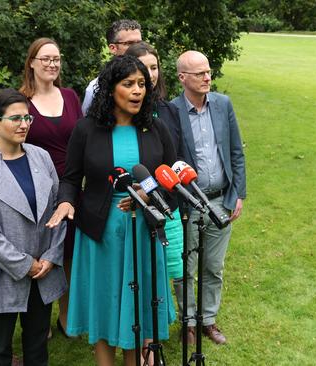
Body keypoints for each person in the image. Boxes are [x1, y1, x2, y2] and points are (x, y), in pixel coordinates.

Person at [47, 55, 176, 366]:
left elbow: (170, 182)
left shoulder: (156, 128)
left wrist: (148, 199)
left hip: (143, 232)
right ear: (110, 89)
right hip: (100, 233)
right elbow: (71, 178)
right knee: (105, 306)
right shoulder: (87, 129)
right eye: (128, 84)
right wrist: (66, 201)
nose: (137, 91)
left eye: (142, 84)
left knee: (138, 309)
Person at [0, 88, 67, 366]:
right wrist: (25, 264)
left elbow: (58, 208)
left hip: (42, 269)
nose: (24, 124)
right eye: (16, 118)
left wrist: (50, 257)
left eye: (28, 118)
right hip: (1, 270)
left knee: (37, 343)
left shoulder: (41, 157)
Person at [171, 50, 247, 346]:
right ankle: (188, 322)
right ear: (182, 78)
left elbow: (236, 152)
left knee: (213, 266)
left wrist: (237, 193)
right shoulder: (171, 111)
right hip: (188, 204)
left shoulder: (222, 104)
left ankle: (208, 320)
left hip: (220, 201)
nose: (207, 77)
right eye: (199, 73)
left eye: (208, 72)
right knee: (185, 266)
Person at [19, 37, 83, 337]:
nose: (51, 64)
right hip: (38, 187)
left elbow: (82, 138)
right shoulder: (21, 102)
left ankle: (66, 315)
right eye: (45, 58)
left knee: (69, 252)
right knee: (42, 250)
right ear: (31, 62)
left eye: (56, 58)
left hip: (73, 185)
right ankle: (38, 319)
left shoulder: (70, 96)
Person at [125, 41, 185, 286]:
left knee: (176, 266)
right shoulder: (121, 114)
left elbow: (176, 157)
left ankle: (188, 321)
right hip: (132, 202)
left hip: (167, 199)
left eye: (154, 67)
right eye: (143, 68)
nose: (150, 74)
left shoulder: (168, 110)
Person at [81, 19, 143, 115]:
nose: (137, 48)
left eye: (139, 43)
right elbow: (88, 125)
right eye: (129, 43)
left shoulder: (152, 78)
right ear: (113, 48)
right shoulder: (96, 88)